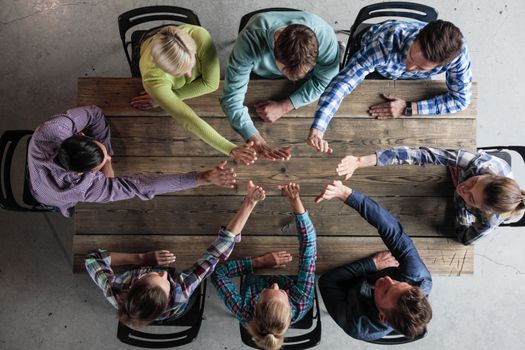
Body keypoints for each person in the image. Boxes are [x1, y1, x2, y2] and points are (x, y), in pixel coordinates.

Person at [85, 181, 266, 328]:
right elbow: (216, 254)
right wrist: (249, 203)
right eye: (165, 280)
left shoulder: (116, 290)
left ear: (133, 284)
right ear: (170, 293)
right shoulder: (181, 290)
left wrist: (141, 258)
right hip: (178, 310)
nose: (164, 272)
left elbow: (93, 259)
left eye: (154, 273)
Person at [27, 105, 237, 217]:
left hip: (36, 172)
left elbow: (94, 113)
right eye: (99, 163)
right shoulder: (82, 188)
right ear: (81, 174)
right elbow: (143, 186)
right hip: (49, 200)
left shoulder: (49, 132)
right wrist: (202, 178)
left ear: (80, 136)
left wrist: (103, 156)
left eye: (97, 145)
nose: (107, 156)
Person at [308, 20, 472, 153]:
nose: (409, 67)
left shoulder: (457, 56)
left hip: (409, 84)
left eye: (420, 67)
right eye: (410, 57)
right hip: (376, 63)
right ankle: (344, 50)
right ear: (417, 36)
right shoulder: (383, 44)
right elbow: (343, 83)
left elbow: (461, 100)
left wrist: (408, 108)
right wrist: (318, 128)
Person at [316, 180, 432, 341]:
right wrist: (346, 194)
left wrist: (372, 264)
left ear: (382, 316)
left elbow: (327, 282)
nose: (387, 279)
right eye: (398, 283)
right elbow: (392, 231)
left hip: (345, 285)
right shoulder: (418, 277)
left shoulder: (354, 323)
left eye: (385, 291)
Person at [336, 146, 525, 245]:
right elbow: (424, 155)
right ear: (488, 175)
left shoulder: (490, 219)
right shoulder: (479, 163)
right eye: (474, 182)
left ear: (483, 210)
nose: (464, 189)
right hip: (466, 170)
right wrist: (362, 161)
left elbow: (465, 238)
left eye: (472, 198)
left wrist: (461, 204)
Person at [130, 24, 257, 165]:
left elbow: (211, 84)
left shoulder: (200, 36)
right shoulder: (152, 79)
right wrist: (230, 149)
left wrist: (167, 97)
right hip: (148, 47)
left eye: (191, 64)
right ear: (163, 68)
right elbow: (188, 119)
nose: (190, 75)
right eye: (179, 72)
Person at [221, 11, 340, 161]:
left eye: (307, 69)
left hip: (306, 86)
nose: (295, 80)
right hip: (261, 75)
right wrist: (258, 141)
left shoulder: (325, 35)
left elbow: (324, 81)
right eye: (284, 70)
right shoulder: (249, 40)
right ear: (274, 46)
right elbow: (231, 99)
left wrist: (284, 106)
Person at [211, 182, 316, 350]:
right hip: (287, 268)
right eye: (282, 292)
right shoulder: (302, 300)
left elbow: (217, 273)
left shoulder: (245, 312)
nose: (274, 285)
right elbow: (309, 246)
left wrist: (259, 262)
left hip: (254, 262)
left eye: (266, 292)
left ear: (255, 306)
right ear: (290, 308)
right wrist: (295, 200)